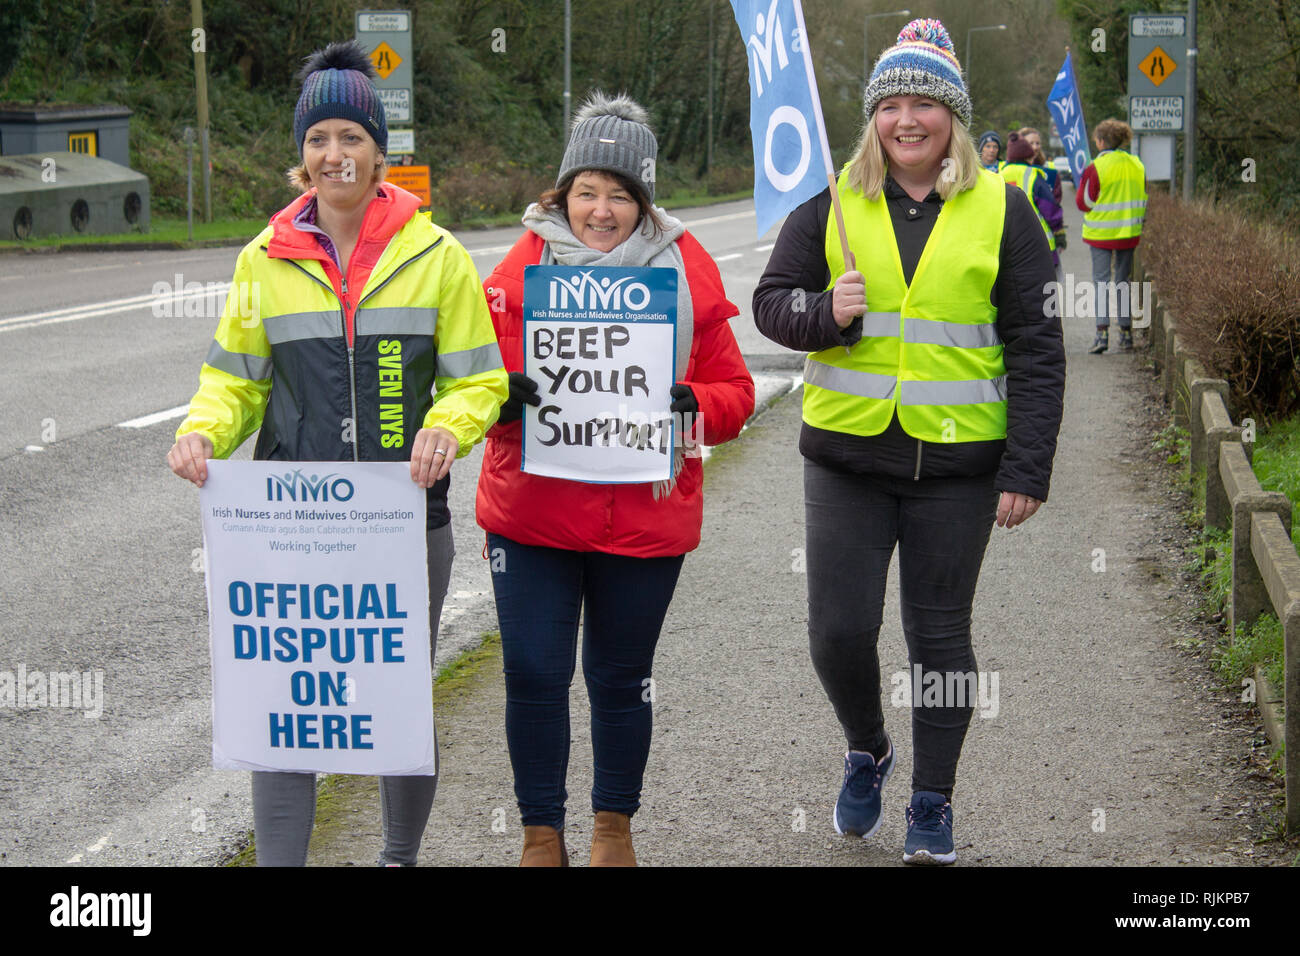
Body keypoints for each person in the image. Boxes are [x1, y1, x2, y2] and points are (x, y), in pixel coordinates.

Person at [166, 40, 508, 866]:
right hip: (289, 524)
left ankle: (398, 857)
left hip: (403, 519)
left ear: (379, 150)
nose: (333, 155)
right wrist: (203, 430)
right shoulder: (262, 259)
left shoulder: (439, 258)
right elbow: (235, 380)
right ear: (301, 155)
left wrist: (448, 427)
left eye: (350, 137)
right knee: (287, 703)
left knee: (394, 704)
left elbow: (480, 381)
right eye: (318, 139)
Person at [753, 18, 1065, 865]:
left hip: (960, 469)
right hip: (849, 459)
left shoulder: (1002, 208)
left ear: (953, 117)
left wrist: (1028, 466)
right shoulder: (833, 200)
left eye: (925, 101)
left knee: (939, 640)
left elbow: (1039, 344)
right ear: (873, 118)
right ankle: (869, 749)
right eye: (891, 103)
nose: (907, 119)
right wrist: (825, 315)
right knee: (838, 633)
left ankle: (932, 800)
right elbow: (770, 303)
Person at [477, 91, 754, 867]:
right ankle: (540, 835)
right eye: (587, 192)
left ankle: (611, 830)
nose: (601, 211)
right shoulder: (517, 269)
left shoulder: (687, 268)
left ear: (644, 201)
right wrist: (501, 396)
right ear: (562, 193)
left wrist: (694, 402)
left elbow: (736, 393)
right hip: (533, 513)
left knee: (621, 677)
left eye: (620, 195)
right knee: (533, 672)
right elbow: (463, 383)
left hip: (643, 519)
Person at [1076, 118, 1147, 354]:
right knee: (1122, 282)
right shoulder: (1136, 164)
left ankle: (1102, 334)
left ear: (1101, 141)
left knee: (1102, 283)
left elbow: (1083, 203)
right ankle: (1126, 334)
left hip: (1101, 234)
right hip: (1129, 232)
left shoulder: (1096, 167)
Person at [1002, 131, 1066, 283]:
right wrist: (1059, 233)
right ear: (1026, 155)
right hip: (1039, 242)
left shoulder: (999, 175)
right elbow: (1050, 208)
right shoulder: (1033, 175)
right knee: (1045, 290)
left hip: (1009, 243)